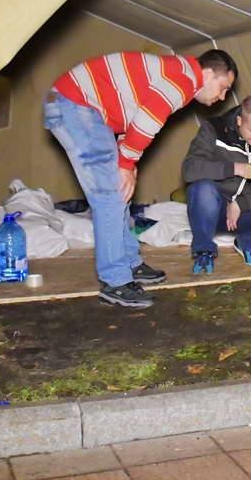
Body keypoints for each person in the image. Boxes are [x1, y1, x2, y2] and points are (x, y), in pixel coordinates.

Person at [44, 50, 237, 308]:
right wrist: (126, 163)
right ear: (209, 73)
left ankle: (129, 263)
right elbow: (147, 123)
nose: (222, 97)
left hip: (86, 108)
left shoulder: (179, 73)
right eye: (223, 87)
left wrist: (128, 164)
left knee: (120, 190)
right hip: (75, 104)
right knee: (110, 195)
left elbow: (133, 117)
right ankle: (115, 282)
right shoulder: (181, 80)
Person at [181, 94, 251, 273]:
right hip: (215, 211)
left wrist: (242, 203)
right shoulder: (214, 130)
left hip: (248, 212)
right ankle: (204, 250)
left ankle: (248, 241)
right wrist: (234, 168)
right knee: (202, 189)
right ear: (239, 120)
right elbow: (190, 169)